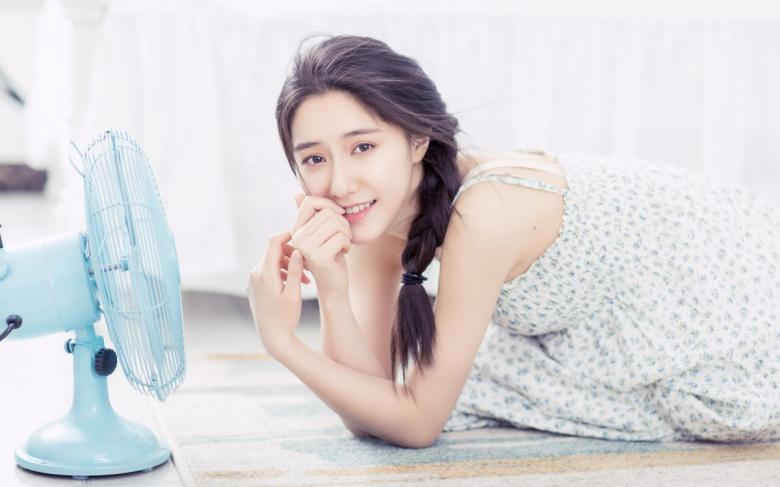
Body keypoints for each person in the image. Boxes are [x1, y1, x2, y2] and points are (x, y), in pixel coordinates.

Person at [247, 34, 780, 448]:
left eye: (363, 147)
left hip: (734, 311)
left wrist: (283, 344)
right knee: (460, 387)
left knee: (459, 392)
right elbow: (369, 409)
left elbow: (414, 424)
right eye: (314, 158)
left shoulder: (485, 214)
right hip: (605, 326)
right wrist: (333, 288)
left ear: (417, 140)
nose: (339, 183)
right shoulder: (374, 211)